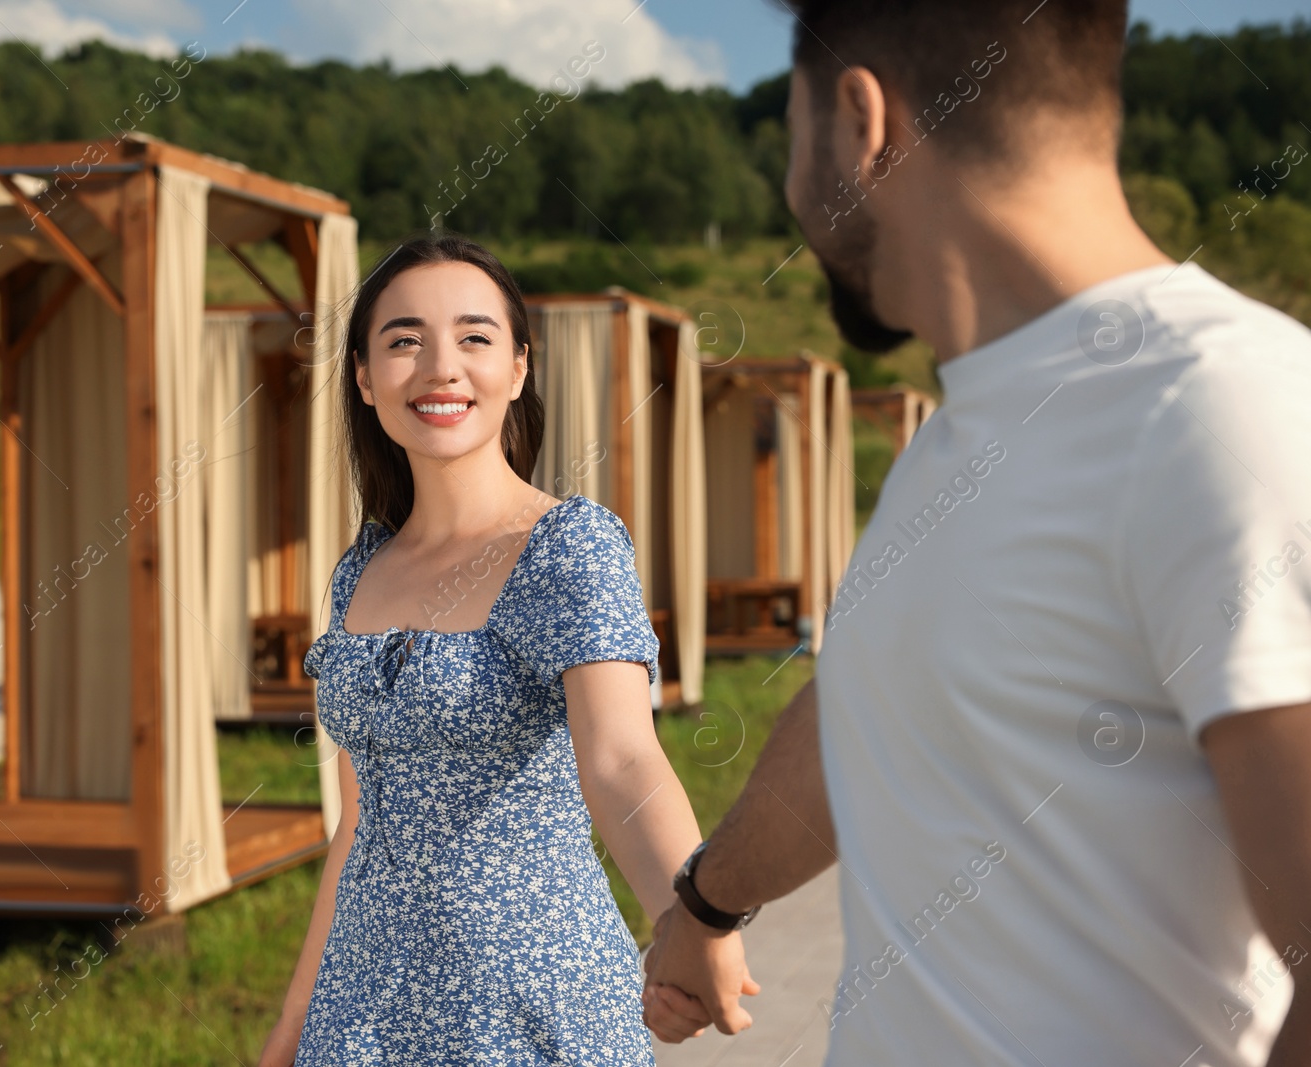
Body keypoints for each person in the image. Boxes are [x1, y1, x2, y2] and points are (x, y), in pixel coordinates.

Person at [642, 1, 1311, 1064]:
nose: (787, 192)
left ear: (860, 122)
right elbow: (867, 711)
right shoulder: (954, 443)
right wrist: (707, 904)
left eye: (789, 136)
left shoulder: (1226, 410)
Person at [258, 234, 757, 1065]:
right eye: (405, 340)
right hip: (365, 1013)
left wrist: (692, 921)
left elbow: (625, 760)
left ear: (518, 369)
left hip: (534, 1001)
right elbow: (357, 822)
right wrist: (298, 1015)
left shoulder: (568, 545)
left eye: (475, 337)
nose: (440, 367)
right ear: (363, 376)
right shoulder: (359, 573)